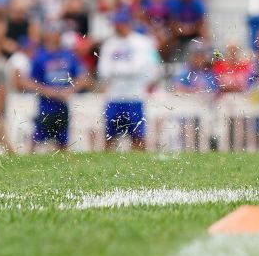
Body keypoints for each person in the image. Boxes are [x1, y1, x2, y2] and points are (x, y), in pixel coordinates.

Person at [96, 9, 161, 151]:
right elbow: (104, 71)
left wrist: (117, 70)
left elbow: (139, 68)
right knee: (110, 136)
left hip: (135, 96)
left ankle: (139, 168)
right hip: (114, 97)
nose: (118, 27)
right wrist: (126, 70)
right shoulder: (109, 44)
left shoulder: (141, 42)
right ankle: (107, 167)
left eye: (120, 23)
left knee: (138, 136)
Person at [26, 23, 89, 152]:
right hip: (45, 105)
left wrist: (70, 90)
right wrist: (47, 91)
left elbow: (83, 77)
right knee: (36, 139)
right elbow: (29, 81)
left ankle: (63, 167)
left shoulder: (68, 56)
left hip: (63, 105)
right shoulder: (40, 57)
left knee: (63, 141)